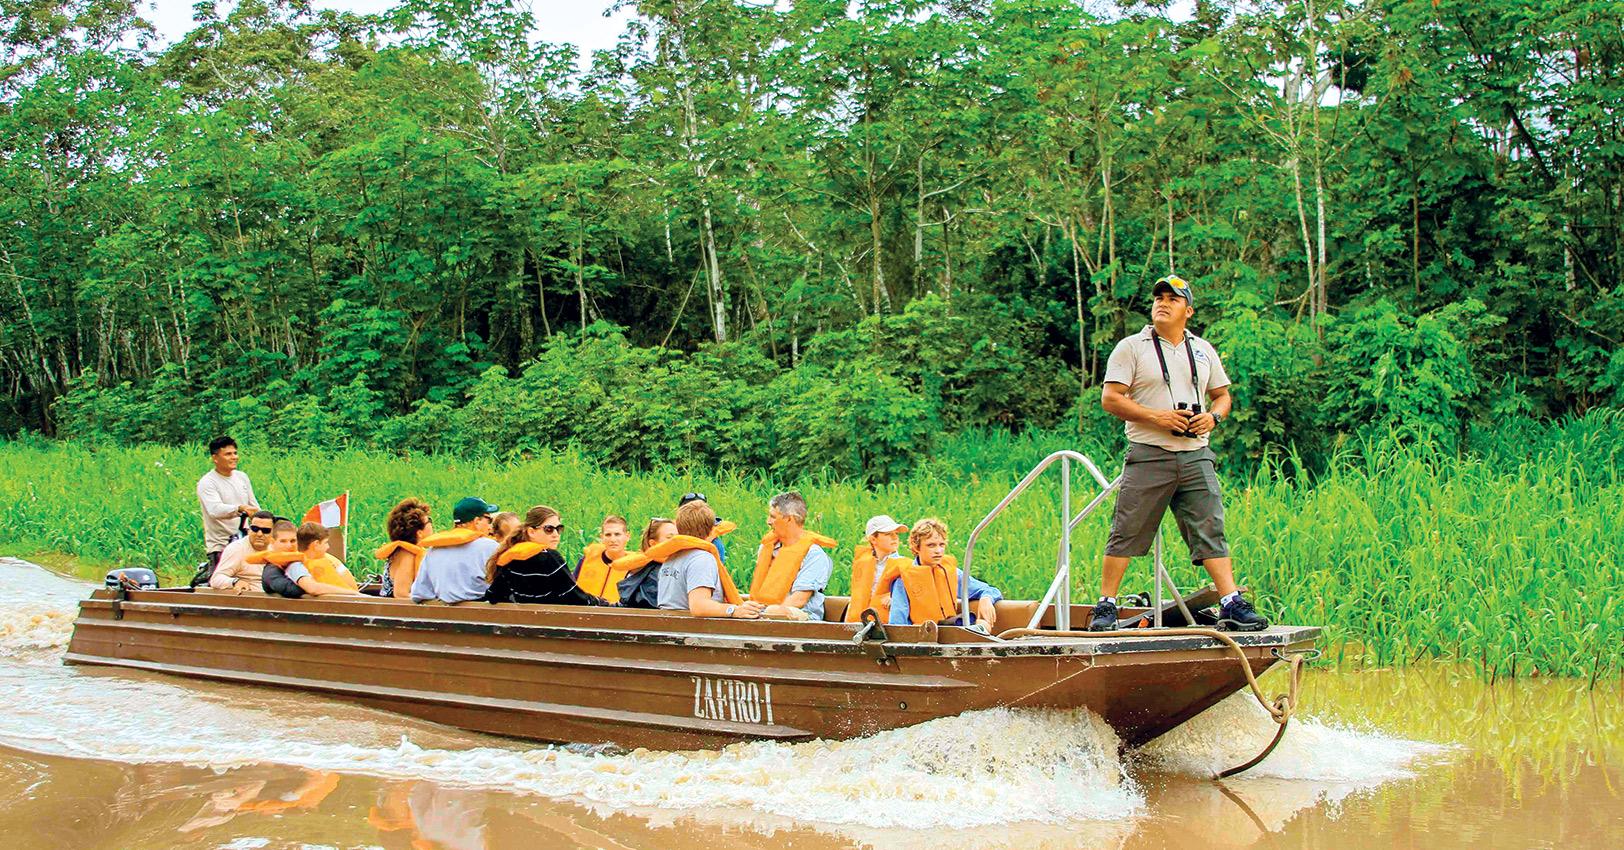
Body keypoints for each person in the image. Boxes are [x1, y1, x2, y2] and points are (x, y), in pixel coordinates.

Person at [1091, 274, 1267, 632]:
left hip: (1195, 453)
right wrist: (1158, 417)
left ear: (1188, 309)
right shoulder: (1132, 347)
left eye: (1172, 298)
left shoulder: (1202, 349)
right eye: (1158, 297)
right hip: (1149, 451)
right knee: (1127, 528)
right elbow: (1110, 399)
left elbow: (1222, 395)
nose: (1162, 303)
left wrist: (1212, 418)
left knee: (1210, 527)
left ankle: (1230, 602)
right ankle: (1106, 606)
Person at [886, 518, 1003, 630]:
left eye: (941, 545)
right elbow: (898, 626)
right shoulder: (903, 580)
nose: (938, 550)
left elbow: (990, 590)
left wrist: (986, 598)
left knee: (983, 623)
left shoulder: (951, 573)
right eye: (931, 545)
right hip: (923, 639)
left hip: (951, 633)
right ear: (917, 547)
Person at [656, 500, 763, 618]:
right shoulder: (701, 559)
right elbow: (699, 606)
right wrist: (734, 610)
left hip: (670, 626)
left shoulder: (672, 557)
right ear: (712, 530)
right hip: (695, 632)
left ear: (679, 529)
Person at [484, 506, 604, 606]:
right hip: (554, 627)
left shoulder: (509, 559)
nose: (556, 534)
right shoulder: (550, 558)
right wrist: (603, 602)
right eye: (549, 529)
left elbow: (493, 595)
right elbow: (575, 597)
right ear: (531, 532)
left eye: (559, 529)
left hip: (525, 628)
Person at [749, 491, 837, 621]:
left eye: (773, 517)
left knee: (775, 611)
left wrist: (765, 615)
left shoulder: (814, 555)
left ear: (789, 519)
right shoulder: (767, 548)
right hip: (766, 613)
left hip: (803, 618)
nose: (768, 521)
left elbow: (799, 599)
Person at [410, 496, 501, 604]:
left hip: (444, 616)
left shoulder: (433, 549)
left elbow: (420, 593)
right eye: (489, 519)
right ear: (477, 521)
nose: (490, 526)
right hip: (483, 615)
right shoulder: (489, 547)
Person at [194, 436, 259, 583]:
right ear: (215, 458)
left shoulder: (242, 477)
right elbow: (214, 510)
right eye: (228, 454)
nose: (234, 457)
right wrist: (239, 508)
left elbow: (254, 506)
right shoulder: (208, 482)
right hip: (222, 544)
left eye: (235, 453)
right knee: (223, 584)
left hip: (246, 541)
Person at [256, 522, 360, 598]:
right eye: (283, 541)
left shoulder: (323, 559)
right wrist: (354, 594)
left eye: (293, 541)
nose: (289, 545)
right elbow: (311, 588)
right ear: (272, 542)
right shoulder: (290, 566)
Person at [845, 515, 910, 623]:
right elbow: (855, 598)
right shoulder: (862, 564)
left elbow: (915, 596)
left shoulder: (905, 565)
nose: (895, 538)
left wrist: (897, 600)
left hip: (887, 625)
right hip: (858, 624)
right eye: (888, 534)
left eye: (896, 533)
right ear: (873, 539)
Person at [612, 517, 676, 609]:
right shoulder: (657, 573)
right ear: (653, 544)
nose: (676, 541)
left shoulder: (639, 569)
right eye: (669, 537)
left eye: (678, 537)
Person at [376, 498, 433, 599]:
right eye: (429, 521)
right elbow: (401, 594)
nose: (432, 525)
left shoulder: (408, 551)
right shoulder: (407, 555)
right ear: (419, 533)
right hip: (395, 611)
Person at [208, 510, 276, 594]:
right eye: (255, 529)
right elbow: (216, 579)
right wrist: (235, 582)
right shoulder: (237, 549)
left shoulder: (278, 548)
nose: (259, 534)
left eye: (265, 530)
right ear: (249, 530)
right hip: (249, 599)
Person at [574, 515, 632, 603]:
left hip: (616, 614)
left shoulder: (634, 567)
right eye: (608, 535)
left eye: (617, 534)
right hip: (584, 612)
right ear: (602, 537)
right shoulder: (587, 559)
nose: (613, 539)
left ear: (627, 536)